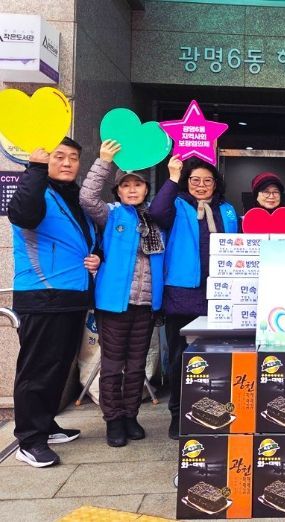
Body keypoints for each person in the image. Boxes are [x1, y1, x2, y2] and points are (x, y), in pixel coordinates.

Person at [8, 138, 100, 468]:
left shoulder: (71, 196)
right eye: (59, 156)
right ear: (45, 159)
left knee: (59, 366)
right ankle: (29, 440)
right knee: (38, 370)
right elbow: (22, 214)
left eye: (73, 157)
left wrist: (96, 257)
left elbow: (83, 240)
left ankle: (45, 424)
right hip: (42, 295)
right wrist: (33, 168)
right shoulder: (37, 189)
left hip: (71, 295)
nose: (67, 163)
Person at [79, 139, 165, 448]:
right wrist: (103, 161)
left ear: (146, 189)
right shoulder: (111, 215)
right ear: (117, 190)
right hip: (114, 304)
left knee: (137, 365)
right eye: (125, 185)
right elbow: (88, 197)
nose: (131, 189)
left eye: (137, 184)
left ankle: (131, 415)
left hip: (146, 305)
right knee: (113, 366)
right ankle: (113, 419)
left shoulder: (156, 219)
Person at [149, 155, 238, 439]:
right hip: (182, 294)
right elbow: (156, 213)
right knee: (181, 358)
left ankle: (215, 411)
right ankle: (178, 415)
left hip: (220, 295)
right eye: (195, 180)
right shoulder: (176, 204)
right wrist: (173, 178)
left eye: (207, 180)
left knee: (217, 358)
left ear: (216, 183)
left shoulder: (227, 209)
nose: (201, 185)